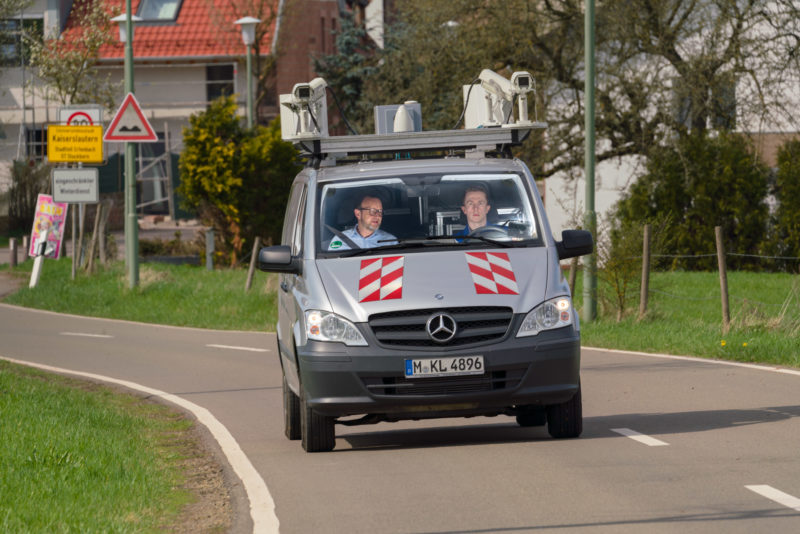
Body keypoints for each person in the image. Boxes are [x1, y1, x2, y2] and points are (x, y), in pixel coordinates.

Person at [328, 195, 398, 250]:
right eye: (373, 211)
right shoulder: (340, 240)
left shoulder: (391, 242)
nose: (378, 216)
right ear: (358, 214)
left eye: (380, 212)